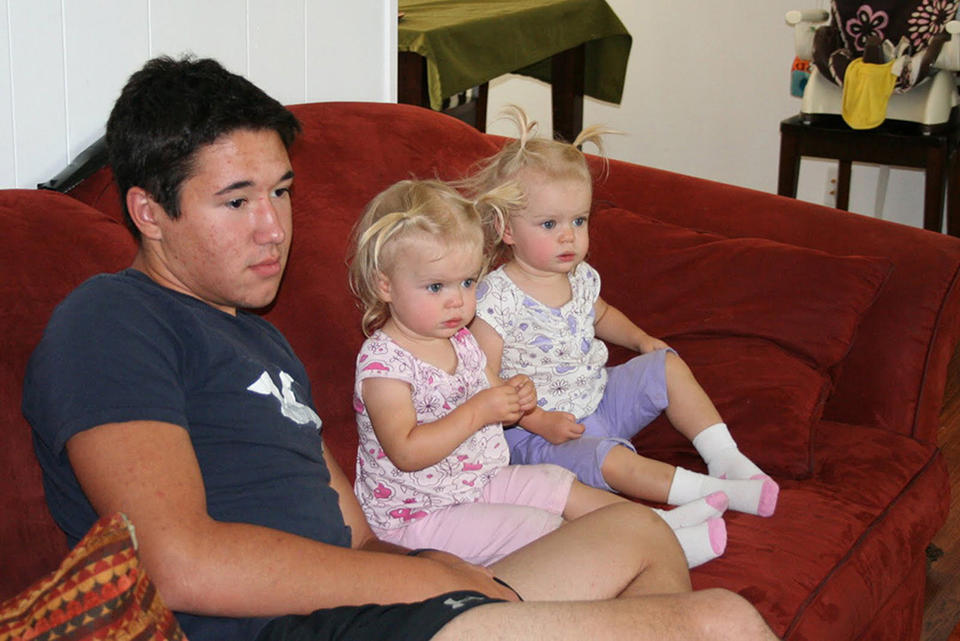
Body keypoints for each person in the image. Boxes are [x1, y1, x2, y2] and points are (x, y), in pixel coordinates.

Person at [22, 56, 780, 641]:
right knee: (721, 621)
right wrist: (415, 585)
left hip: (376, 605)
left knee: (636, 531)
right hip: (301, 626)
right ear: (148, 212)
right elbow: (177, 561)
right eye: (237, 200)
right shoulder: (111, 321)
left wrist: (428, 569)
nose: (274, 227)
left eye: (281, 191)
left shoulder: (261, 339)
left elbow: (354, 529)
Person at [347, 178, 727, 568]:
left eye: (467, 282)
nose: (457, 301)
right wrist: (480, 410)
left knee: (557, 485)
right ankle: (651, 553)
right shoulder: (384, 366)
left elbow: (488, 386)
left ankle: (657, 526)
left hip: (478, 481)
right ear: (385, 285)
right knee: (541, 526)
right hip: (418, 518)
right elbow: (407, 451)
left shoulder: (458, 338)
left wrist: (517, 396)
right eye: (436, 286)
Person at [466, 107, 780, 517]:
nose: (569, 236)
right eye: (549, 224)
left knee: (665, 364)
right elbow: (481, 376)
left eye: (579, 220)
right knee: (610, 458)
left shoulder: (579, 277)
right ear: (506, 228)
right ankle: (699, 496)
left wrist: (639, 340)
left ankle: (725, 458)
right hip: (540, 436)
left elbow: (601, 314)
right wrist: (539, 420)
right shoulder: (496, 296)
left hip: (599, 398)